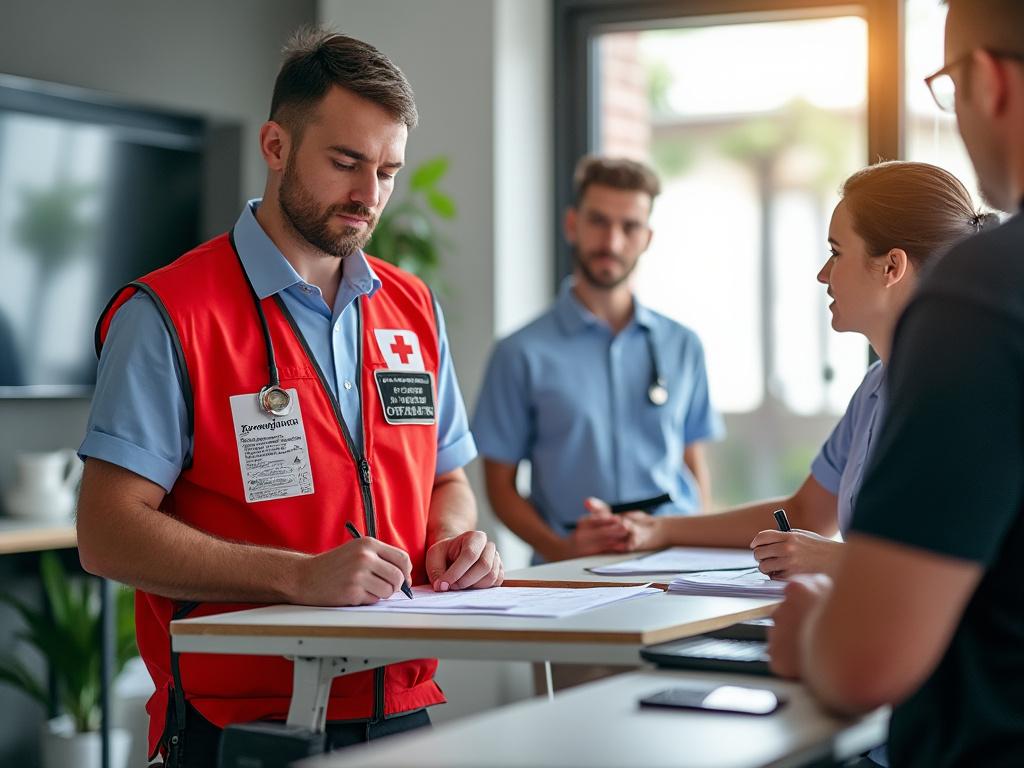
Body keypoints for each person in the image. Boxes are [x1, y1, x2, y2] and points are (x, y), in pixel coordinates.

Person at [75, 28, 502, 767]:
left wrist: (451, 542)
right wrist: (297, 575)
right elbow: (107, 532)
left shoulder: (411, 306)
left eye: (388, 171)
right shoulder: (170, 314)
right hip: (237, 725)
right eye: (346, 162)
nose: (369, 196)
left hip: (399, 707)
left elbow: (447, 478)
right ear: (275, 146)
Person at [767, 1, 1024, 765]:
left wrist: (809, 624)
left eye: (947, 83)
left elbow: (864, 662)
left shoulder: (986, 293)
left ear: (986, 79)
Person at [617, 161, 988, 586]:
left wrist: (832, 560)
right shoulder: (875, 389)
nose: (823, 274)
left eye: (836, 252)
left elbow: (972, 572)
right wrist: (659, 529)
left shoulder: (971, 394)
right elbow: (808, 513)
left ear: (891, 267)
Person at [473, 155, 723, 565]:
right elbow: (499, 486)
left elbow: (691, 462)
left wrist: (698, 551)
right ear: (572, 224)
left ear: (647, 237)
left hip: (673, 559)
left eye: (630, 227)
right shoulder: (520, 353)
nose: (612, 242)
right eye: (598, 222)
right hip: (570, 566)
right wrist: (563, 553)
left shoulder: (683, 345)